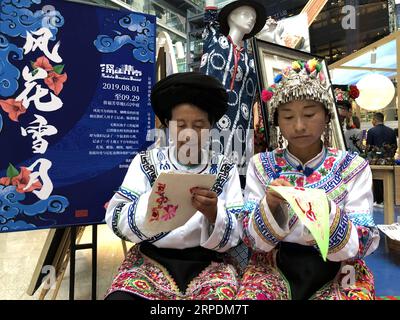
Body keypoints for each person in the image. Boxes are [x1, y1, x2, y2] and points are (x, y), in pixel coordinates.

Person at [237, 59, 380, 300]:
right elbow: (251, 240)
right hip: (274, 265)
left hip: (341, 267)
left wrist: (328, 214)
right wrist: (270, 206)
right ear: (277, 122)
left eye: (309, 114)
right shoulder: (261, 165)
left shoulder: (353, 167)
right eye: (288, 117)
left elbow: (363, 239)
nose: (299, 126)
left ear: (326, 116)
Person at [104, 72, 243, 300]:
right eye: (181, 125)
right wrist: (152, 203)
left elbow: (238, 230)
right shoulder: (146, 162)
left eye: (199, 125)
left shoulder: (225, 169)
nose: (189, 134)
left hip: (209, 263)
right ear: (168, 125)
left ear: (211, 126)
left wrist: (214, 214)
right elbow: (116, 216)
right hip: (149, 261)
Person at [200, 0, 266, 185]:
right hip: (213, 118)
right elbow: (209, 13)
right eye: (245, 14)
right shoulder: (214, 40)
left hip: (242, 125)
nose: (250, 20)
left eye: (253, 18)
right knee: (208, 168)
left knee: (237, 177)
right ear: (230, 16)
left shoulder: (250, 58)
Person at [367, 112, 398, 205]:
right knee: (390, 179)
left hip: (376, 161)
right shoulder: (391, 131)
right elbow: (395, 147)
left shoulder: (371, 131)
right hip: (389, 161)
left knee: (376, 179)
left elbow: (369, 147)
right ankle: (389, 198)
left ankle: (379, 200)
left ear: (375, 120)